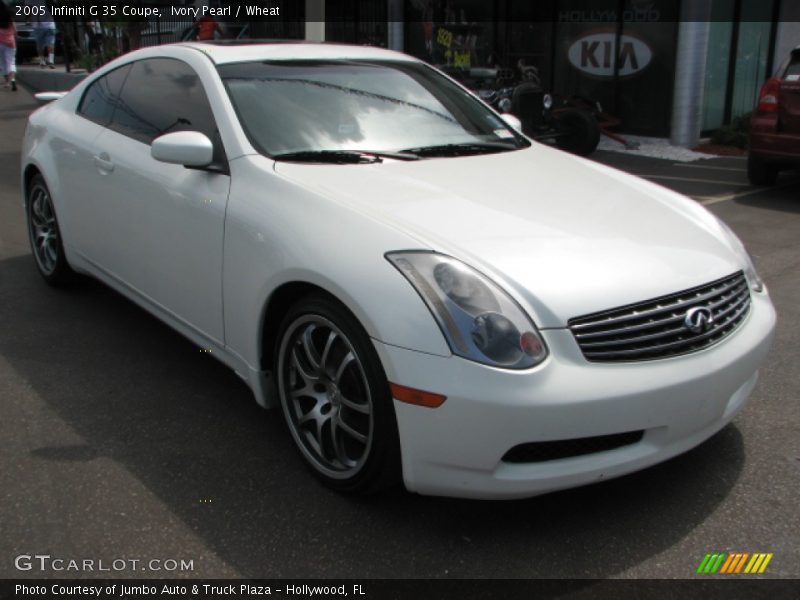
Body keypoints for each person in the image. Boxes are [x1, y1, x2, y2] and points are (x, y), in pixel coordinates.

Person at [26, 0, 56, 68]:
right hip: (46, 24)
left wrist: (28, 19)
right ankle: (48, 61)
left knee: (43, 44)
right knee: (48, 43)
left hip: (41, 25)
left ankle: (45, 61)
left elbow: (28, 10)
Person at [0, 1, 16, 90]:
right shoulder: (9, 16)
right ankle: (12, 80)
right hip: (10, 42)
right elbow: (14, 30)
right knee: (11, 62)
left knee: (3, 63)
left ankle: (7, 82)